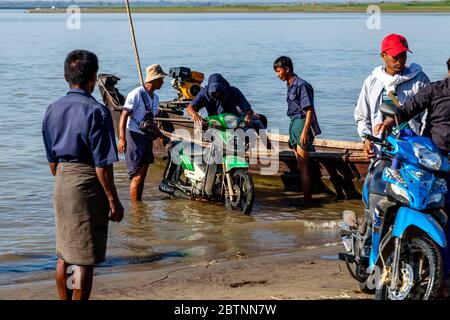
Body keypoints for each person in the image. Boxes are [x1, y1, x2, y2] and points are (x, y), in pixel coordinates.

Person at [42, 50, 124, 300]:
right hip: (87, 183)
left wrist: (65, 177)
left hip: (62, 182)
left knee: (65, 254)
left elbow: (52, 161)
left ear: (66, 76)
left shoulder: (52, 109)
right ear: (92, 79)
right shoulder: (97, 112)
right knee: (84, 257)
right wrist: (113, 200)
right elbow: (102, 165)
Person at [374, 64, 450, 293]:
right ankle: (380, 256)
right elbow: (409, 108)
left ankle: (443, 273)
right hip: (432, 160)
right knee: (405, 199)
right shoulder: (435, 90)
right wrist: (389, 121)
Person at [354, 33, 430, 158]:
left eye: (403, 55)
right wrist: (366, 139)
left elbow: (427, 115)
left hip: (412, 143)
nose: (400, 60)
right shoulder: (372, 82)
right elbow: (362, 116)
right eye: (395, 56)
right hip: (382, 144)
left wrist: (423, 142)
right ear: (383, 55)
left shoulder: (419, 80)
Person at [273, 56, 322, 206]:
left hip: (301, 123)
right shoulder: (290, 85)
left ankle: (307, 201)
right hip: (294, 123)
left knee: (303, 165)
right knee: (300, 165)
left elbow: (309, 110)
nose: (277, 74)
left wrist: (305, 132)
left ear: (287, 69)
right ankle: (305, 198)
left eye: (278, 70)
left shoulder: (302, 85)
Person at [117, 64, 167, 201]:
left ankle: (139, 206)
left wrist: (161, 137)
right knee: (136, 176)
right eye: (161, 79)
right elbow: (124, 116)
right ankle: (135, 209)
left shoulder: (155, 98)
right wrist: (122, 138)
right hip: (134, 137)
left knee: (143, 175)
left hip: (147, 137)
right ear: (154, 79)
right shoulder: (136, 94)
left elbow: (151, 121)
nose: (163, 82)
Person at [185, 73, 260, 128]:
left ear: (224, 87)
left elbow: (249, 111)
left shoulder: (233, 91)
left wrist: (248, 118)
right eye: (214, 93)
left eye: (220, 92)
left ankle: (267, 143)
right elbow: (189, 108)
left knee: (257, 121)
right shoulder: (204, 93)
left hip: (233, 122)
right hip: (215, 122)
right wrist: (195, 115)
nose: (217, 94)